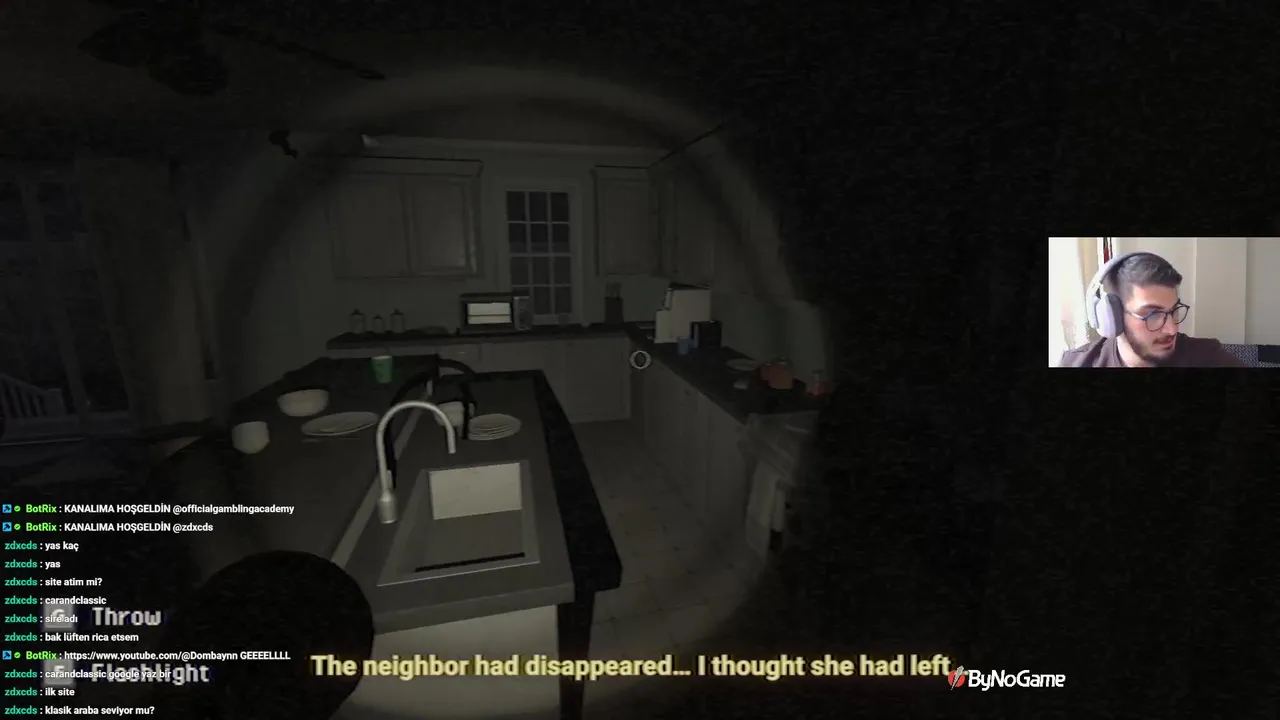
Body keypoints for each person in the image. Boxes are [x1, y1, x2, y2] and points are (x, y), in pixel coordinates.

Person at [1059, 252, 1246, 368]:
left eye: (1174, 310)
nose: (1172, 329)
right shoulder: (1076, 364)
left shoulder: (1208, 358)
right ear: (1113, 317)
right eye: (1153, 314)